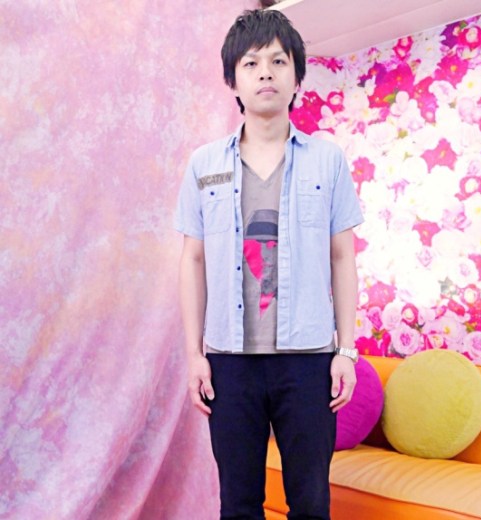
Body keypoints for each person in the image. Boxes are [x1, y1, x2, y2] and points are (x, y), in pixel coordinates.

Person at [175, 8, 363, 520]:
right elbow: (192, 259)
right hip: (229, 361)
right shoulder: (204, 164)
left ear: (297, 77)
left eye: (279, 61)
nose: (266, 73)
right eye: (252, 63)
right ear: (232, 80)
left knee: (310, 502)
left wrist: (346, 350)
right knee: (238, 504)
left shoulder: (327, 160)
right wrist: (194, 355)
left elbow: (342, 256)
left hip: (308, 360)